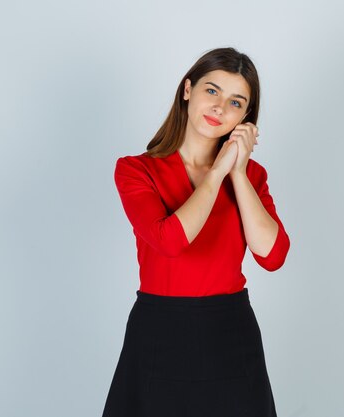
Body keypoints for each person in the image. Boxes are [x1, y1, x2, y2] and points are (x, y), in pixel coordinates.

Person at [102, 47, 290, 417]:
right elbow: (169, 241)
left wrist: (236, 172)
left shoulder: (252, 177)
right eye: (212, 90)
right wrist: (217, 173)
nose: (220, 107)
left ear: (245, 118)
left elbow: (273, 256)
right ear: (187, 89)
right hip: (160, 330)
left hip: (230, 331)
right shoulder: (137, 170)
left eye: (236, 102)